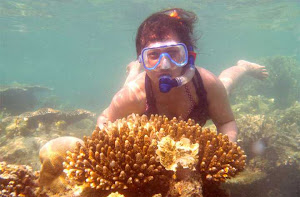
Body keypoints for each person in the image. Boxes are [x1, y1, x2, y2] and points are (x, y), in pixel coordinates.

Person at [97, 8, 267, 142]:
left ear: (188, 55)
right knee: (129, 86)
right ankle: (134, 69)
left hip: (203, 93)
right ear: (142, 59)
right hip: (138, 86)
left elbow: (226, 122)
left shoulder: (206, 84)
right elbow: (105, 119)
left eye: (173, 52)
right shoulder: (132, 96)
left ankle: (243, 67)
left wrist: (226, 147)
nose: (164, 65)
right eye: (153, 55)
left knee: (225, 84)